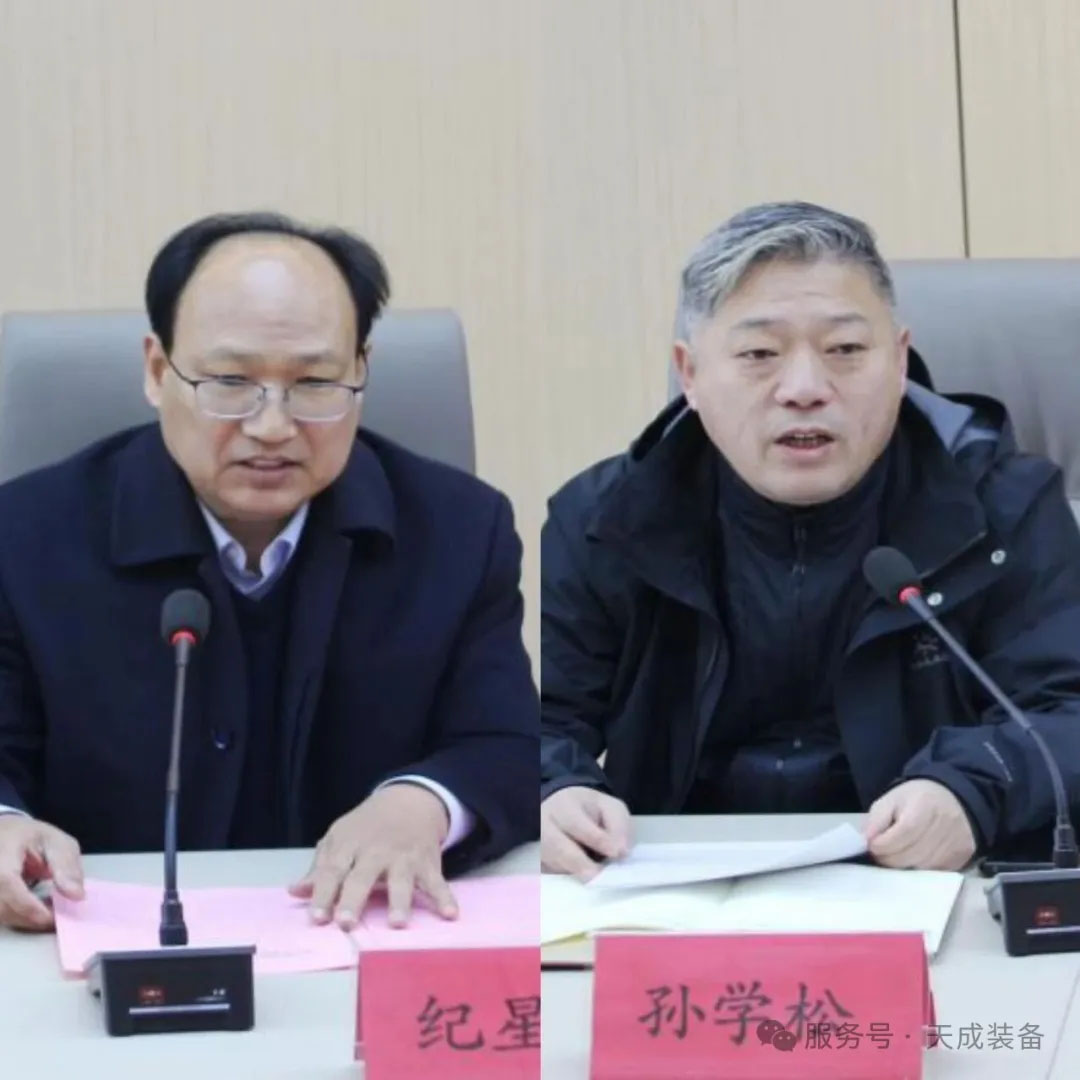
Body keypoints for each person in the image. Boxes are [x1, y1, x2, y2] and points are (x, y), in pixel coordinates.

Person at [0, 211, 538, 931]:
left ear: (361, 372)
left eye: (314, 383)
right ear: (158, 372)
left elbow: (506, 741)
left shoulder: (459, 531)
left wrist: (426, 802)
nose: (272, 426)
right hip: (98, 946)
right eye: (230, 381)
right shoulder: (24, 536)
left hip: (360, 933)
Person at [541, 201, 1080, 879]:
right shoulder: (606, 520)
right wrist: (554, 790)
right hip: (671, 893)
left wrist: (972, 790)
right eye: (759, 355)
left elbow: (1067, 710)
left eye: (845, 350)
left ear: (899, 360)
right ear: (690, 374)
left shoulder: (1004, 506)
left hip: (927, 882)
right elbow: (538, 725)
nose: (804, 389)